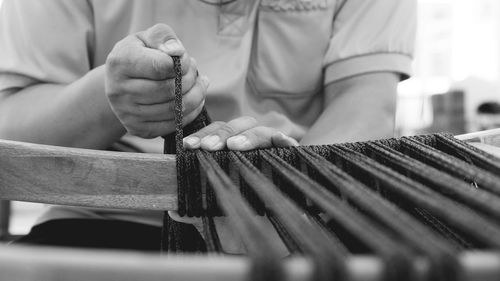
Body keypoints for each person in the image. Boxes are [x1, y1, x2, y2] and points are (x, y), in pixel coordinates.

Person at [0, 0, 416, 252]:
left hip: (307, 213)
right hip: (104, 218)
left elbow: (366, 101)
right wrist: (107, 99)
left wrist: (286, 194)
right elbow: (12, 127)